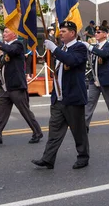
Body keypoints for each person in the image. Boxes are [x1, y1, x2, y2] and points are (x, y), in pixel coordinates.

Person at [32, 20, 89, 170]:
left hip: (73, 97)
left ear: (72, 33)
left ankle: (83, 157)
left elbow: (71, 60)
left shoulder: (80, 48)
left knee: (78, 131)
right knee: (54, 130)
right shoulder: (63, 49)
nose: (60, 34)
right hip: (59, 98)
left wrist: (55, 49)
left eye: (63, 31)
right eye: (60, 31)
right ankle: (48, 159)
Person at [0, 28, 43, 145]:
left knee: (25, 111)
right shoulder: (6, 47)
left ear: (14, 34)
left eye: (6, 32)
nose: (4, 34)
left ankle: (37, 132)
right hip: (4, 86)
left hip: (16, 86)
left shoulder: (18, 45)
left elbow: (11, 50)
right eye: (3, 32)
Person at [82, 26, 109, 134]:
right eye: (95, 32)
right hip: (94, 79)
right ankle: (84, 125)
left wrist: (90, 47)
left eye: (98, 32)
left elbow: (104, 54)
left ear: (105, 34)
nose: (96, 33)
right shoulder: (96, 46)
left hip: (105, 80)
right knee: (89, 102)